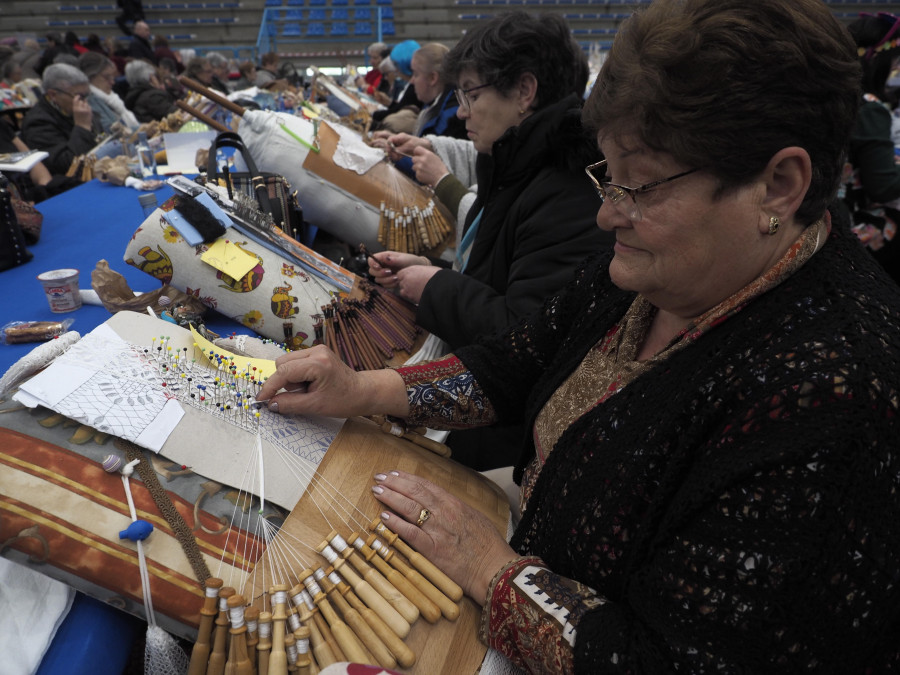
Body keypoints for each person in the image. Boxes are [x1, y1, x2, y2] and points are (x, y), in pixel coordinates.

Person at [255, 0, 900, 672]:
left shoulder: (834, 398)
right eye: (607, 175)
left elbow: (670, 659)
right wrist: (361, 388)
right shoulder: (645, 274)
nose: (605, 212)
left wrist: (491, 566)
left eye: (638, 185)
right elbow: (519, 362)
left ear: (779, 186)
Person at [369, 12, 609, 470]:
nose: (461, 112)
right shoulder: (515, 165)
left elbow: (528, 335)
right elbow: (497, 279)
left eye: (470, 95)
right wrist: (432, 274)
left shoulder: (566, 190)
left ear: (524, 91)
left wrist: (435, 288)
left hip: (506, 438)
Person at [843, 12, 900, 284]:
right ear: (879, 62)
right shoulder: (870, 109)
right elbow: (883, 186)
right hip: (864, 230)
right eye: (897, 63)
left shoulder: (842, 98)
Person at [371, 42, 466, 179]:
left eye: (415, 74)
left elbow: (435, 168)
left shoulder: (453, 114)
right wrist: (397, 142)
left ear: (433, 78)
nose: (412, 81)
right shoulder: (434, 106)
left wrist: (394, 154)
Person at [20, 63, 99, 182]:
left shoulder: (74, 109)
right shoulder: (38, 123)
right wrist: (82, 127)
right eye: (79, 96)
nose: (84, 101)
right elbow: (67, 166)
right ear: (53, 95)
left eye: (86, 95)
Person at [78, 52, 139, 133]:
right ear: (89, 78)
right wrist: (140, 130)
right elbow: (111, 133)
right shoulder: (90, 101)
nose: (112, 82)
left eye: (113, 77)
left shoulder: (111, 97)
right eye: (107, 77)